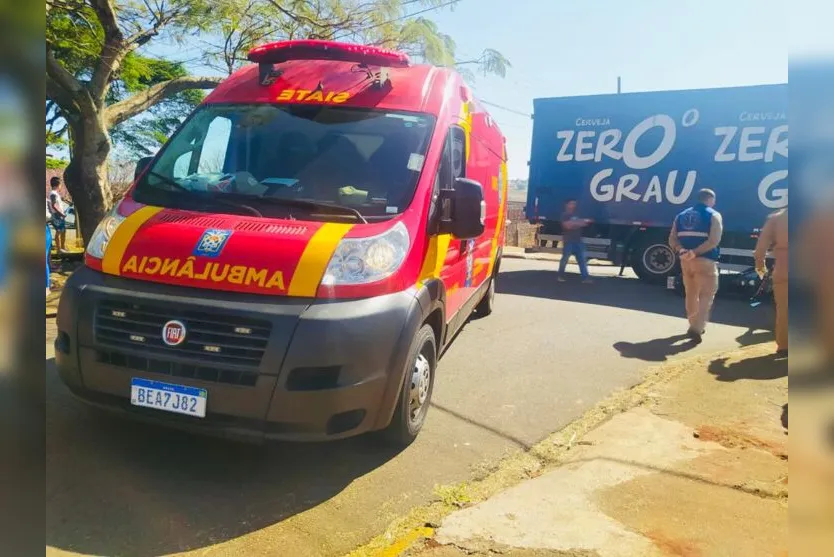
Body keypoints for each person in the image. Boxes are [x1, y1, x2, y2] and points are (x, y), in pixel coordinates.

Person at [668, 188, 723, 343]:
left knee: (691, 293)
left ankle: (692, 323)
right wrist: (696, 252)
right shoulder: (714, 215)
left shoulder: (681, 215)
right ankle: (697, 328)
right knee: (706, 294)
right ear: (710, 199)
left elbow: (672, 239)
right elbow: (714, 241)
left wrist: (683, 251)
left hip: (686, 261)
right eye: (713, 200)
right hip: (705, 261)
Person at [754, 208, 788, 356]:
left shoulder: (776, 218)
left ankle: (784, 346)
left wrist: (762, 271)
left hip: (783, 270)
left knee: (784, 310)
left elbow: (760, 249)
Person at [557, 199, 593, 283]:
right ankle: (560, 275)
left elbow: (584, 224)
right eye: (571, 204)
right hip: (568, 241)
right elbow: (567, 226)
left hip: (578, 241)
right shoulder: (564, 215)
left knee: (582, 260)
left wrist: (575, 223)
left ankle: (585, 278)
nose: (573, 206)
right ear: (567, 205)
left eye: (574, 204)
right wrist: (578, 223)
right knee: (565, 259)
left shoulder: (576, 215)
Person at [48, 176, 68, 253]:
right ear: (58, 185)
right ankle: (59, 249)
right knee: (59, 231)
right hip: (57, 215)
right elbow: (54, 205)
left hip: (59, 215)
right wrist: (62, 214)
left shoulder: (55, 194)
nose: (61, 186)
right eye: (60, 185)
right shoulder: (53, 194)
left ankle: (62, 247)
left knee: (63, 231)